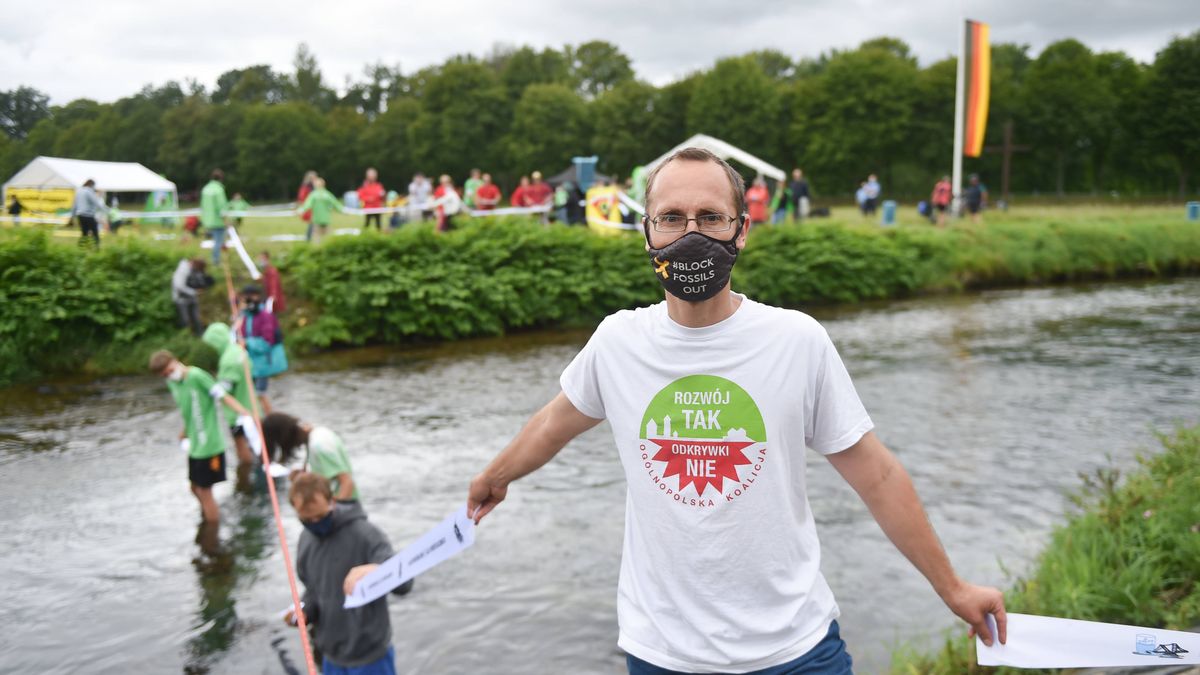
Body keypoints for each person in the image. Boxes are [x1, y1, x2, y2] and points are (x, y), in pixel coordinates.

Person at [466, 147, 1007, 674]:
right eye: (671, 218)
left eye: (710, 217)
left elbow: (877, 474)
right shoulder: (618, 342)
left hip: (795, 650)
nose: (691, 234)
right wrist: (496, 475)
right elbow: (554, 422)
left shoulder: (795, 341)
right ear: (647, 233)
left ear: (742, 229)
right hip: (662, 654)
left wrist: (952, 587)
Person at [285, 473, 411, 675]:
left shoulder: (366, 534)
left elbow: (405, 583)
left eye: (320, 516)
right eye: (307, 519)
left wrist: (377, 570)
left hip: (370, 657)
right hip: (331, 656)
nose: (315, 523)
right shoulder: (305, 540)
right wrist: (304, 611)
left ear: (332, 501)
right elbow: (313, 590)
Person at [150, 349, 252, 523]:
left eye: (169, 371)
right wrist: (185, 431)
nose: (169, 375)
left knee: (205, 491)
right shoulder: (172, 383)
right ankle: (210, 515)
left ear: (175, 361)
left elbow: (223, 396)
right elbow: (187, 410)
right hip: (195, 446)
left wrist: (246, 414)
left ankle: (212, 530)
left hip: (210, 446)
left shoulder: (197, 376)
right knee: (194, 488)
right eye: (164, 375)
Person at [201, 322, 261, 468]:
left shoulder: (227, 360)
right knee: (257, 443)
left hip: (238, 414)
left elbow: (225, 390)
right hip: (253, 407)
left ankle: (247, 476)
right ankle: (260, 469)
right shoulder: (239, 351)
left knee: (241, 446)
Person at [261, 413, 359, 501]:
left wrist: (336, 513)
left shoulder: (318, 446)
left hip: (345, 507)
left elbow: (347, 483)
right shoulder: (317, 433)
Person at [236, 284, 284, 414]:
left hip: (262, 364)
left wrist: (247, 342)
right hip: (249, 364)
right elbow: (238, 336)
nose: (249, 299)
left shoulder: (266, 316)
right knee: (249, 395)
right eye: (246, 297)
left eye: (251, 296)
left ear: (258, 296)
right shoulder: (244, 317)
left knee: (259, 394)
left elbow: (266, 343)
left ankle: (269, 422)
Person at [172, 257, 210, 336]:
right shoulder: (183, 270)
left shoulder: (194, 270)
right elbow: (179, 286)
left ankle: (200, 336)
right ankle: (186, 337)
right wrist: (194, 292)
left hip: (192, 298)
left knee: (197, 318)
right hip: (181, 299)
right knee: (185, 320)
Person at [299, 177, 343, 244]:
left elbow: (307, 205)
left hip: (317, 220)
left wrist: (300, 210)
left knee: (316, 240)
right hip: (326, 220)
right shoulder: (327, 194)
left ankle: (317, 252)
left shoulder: (313, 195)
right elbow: (336, 204)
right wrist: (343, 210)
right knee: (330, 239)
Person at [200, 170, 229, 265]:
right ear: (221, 179)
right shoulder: (219, 190)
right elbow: (222, 206)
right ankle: (216, 261)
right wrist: (225, 219)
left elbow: (202, 206)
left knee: (215, 240)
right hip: (218, 221)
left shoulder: (205, 189)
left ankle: (213, 259)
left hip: (207, 221)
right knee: (218, 242)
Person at [71, 179, 107, 248]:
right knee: (95, 233)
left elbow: (74, 205)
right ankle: (96, 248)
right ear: (91, 185)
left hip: (80, 216)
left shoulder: (79, 191)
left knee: (84, 233)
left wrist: (72, 216)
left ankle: (81, 248)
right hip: (88, 216)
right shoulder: (89, 191)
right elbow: (96, 203)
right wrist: (107, 211)